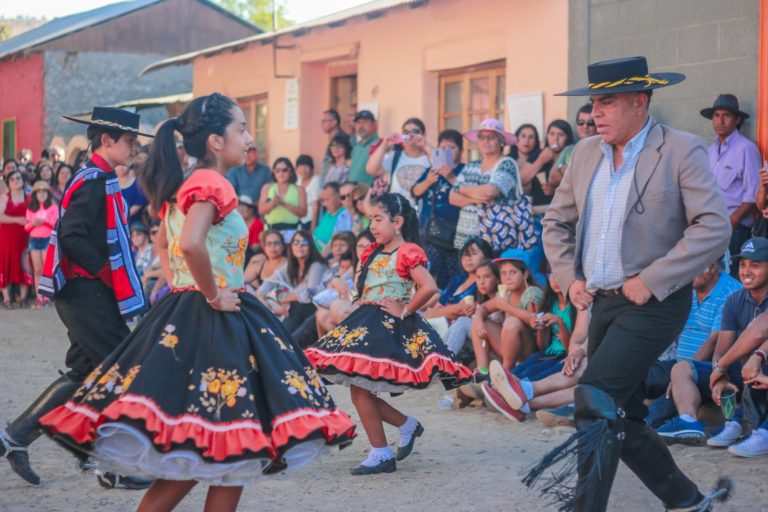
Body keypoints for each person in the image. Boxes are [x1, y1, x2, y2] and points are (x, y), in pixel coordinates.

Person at [39, 93, 356, 511]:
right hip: (215, 317)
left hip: (191, 313)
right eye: (241, 128)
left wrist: (186, 288)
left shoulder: (185, 184)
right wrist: (211, 293)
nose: (248, 137)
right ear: (215, 142)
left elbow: (167, 242)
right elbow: (188, 244)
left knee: (207, 451)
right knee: (228, 446)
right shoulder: (212, 182)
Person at [525, 56, 732, 511]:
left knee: (592, 398)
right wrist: (568, 277)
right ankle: (689, 501)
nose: (595, 112)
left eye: (607, 102)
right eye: (593, 102)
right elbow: (556, 222)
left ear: (640, 102)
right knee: (623, 415)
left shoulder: (680, 148)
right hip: (601, 302)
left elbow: (714, 226)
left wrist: (652, 279)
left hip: (655, 302)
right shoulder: (583, 154)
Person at [0, 107, 150, 488]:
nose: (134, 148)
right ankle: (107, 462)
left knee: (86, 373)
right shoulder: (95, 182)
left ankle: (15, 437)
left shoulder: (98, 179)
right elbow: (71, 236)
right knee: (123, 371)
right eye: (130, 142)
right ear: (106, 140)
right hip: (86, 293)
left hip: (85, 293)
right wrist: (104, 270)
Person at [306, 193, 472, 475]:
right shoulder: (371, 251)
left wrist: (405, 309)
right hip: (366, 321)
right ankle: (402, 429)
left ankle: (384, 450)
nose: (372, 225)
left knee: (360, 388)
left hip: (387, 326)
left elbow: (429, 287)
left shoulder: (407, 251)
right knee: (360, 388)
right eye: (370, 219)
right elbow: (366, 291)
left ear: (397, 222)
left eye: (378, 219)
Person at [660, 238, 768, 454]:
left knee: (755, 361)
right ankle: (689, 423)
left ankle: (759, 431)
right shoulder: (735, 300)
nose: (746, 271)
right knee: (681, 368)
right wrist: (722, 375)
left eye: (755, 265)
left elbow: (759, 335)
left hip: (761, 370)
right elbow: (721, 349)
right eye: (743, 264)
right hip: (744, 373)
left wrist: (723, 368)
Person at [641, 257, 741, 429]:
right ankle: (611, 412)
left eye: (692, 268)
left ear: (711, 266)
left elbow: (714, 341)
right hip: (678, 363)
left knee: (678, 383)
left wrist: (683, 371)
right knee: (639, 374)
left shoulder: (729, 291)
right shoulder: (690, 289)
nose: (686, 274)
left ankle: (644, 424)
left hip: (708, 367)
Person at [485, 308, 590, 424]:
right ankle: (520, 394)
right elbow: (581, 336)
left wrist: (561, 326)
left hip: (561, 356)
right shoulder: (582, 301)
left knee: (588, 373)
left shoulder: (597, 300)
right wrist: (577, 350)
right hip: (553, 354)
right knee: (527, 368)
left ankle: (522, 401)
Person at [702, 94, 762, 276]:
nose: (720, 120)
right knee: (711, 277)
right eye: (716, 115)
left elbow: (753, 192)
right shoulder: (710, 150)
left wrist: (734, 220)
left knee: (733, 276)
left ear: (737, 120)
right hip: (712, 226)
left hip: (735, 229)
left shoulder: (746, 148)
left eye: (726, 115)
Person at [449, 118, 520, 250]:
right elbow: (452, 198)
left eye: (491, 137)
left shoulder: (507, 164)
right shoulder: (471, 166)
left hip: (495, 238)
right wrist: (476, 198)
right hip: (465, 238)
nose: (485, 141)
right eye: (481, 137)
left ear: (501, 141)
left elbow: (490, 192)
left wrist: (462, 189)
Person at [471, 257, 543, 382]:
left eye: (512, 272)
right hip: (510, 348)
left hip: (530, 351)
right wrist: (478, 322)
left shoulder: (532, 293)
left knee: (512, 322)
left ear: (525, 274)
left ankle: (504, 374)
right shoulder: (506, 293)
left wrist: (506, 307)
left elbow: (536, 321)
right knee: (481, 323)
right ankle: (482, 372)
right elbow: (482, 309)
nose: (507, 277)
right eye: (503, 273)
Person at [412, 129, 465, 288]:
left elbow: (468, 193)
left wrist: (451, 177)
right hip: (431, 233)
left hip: (454, 233)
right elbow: (415, 191)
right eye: (442, 149)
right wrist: (428, 181)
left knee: (455, 273)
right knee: (432, 272)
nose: (446, 152)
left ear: (461, 151)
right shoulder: (432, 169)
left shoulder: (464, 170)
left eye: (451, 148)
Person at [257, 230, 326, 333]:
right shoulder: (291, 266)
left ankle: (281, 341)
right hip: (293, 310)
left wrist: (287, 299)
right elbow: (267, 284)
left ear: (311, 246)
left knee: (295, 307)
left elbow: (311, 295)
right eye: (296, 242)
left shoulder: (316, 265)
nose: (300, 246)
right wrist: (265, 304)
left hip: (313, 311)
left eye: (304, 242)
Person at [423, 237, 492, 335]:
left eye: (474, 254)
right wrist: (450, 310)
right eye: (465, 255)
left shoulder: (484, 282)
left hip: (462, 327)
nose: (468, 259)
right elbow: (439, 305)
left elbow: (464, 310)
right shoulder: (458, 279)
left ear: (486, 256)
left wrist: (436, 313)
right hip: (441, 322)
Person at [366, 117, 431, 206]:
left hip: (424, 216)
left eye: (416, 131)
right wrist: (384, 145)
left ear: (424, 134)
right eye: (406, 132)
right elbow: (371, 169)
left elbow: (443, 168)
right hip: (398, 214)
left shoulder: (430, 156)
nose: (411, 135)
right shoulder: (395, 156)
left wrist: (425, 145)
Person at [0, 170, 32, 308]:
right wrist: (18, 220)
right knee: (4, 265)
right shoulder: (4, 197)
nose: (15, 180)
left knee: (23, 265)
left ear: (23, 180)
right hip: (6, 238)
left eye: (18, 178)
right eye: (12, 179)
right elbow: (0, 216)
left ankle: (23, 298)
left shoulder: (29, 197)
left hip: (24, 238)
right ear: (8, 183)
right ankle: (7, 298)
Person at [25, 181, 59, 308]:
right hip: (34, 240)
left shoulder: (53, 207)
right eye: (39, 192)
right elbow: (27, 227)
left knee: (47, 269)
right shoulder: (31, 208)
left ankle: (48, 296)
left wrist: (45, 222)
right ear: (34, 194)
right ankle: (39, 297)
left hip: (47, 239)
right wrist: (34, 223)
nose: (42, 194)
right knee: (37, 269)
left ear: (48, 194)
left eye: (44, 191)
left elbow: (55, 225)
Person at [258, 157, 307, 241]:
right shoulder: (267, 188)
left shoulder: (299, 189)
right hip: (271, 231)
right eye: (277, 170)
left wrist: (284, 204)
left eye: (284, 170)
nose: (281, 173)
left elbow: (303, 212)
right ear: (273, 172)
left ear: (291, 171)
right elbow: (261, 210)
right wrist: (274, 203)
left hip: (293, 231)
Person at [313, 182, 353, 255]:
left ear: (339, 197)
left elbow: (333, 244)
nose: (325, 204)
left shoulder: (344, 215)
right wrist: (315, 213)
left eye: (327, 200)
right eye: (323, 201)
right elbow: (313, 234)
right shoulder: (328, 213)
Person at [348, 110, 379, 185]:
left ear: (375, 124)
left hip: (369, 194)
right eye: (358, 123)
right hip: (353, 193)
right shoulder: (356, 147)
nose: (360, 126)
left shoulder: (379, 145)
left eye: (365, 122)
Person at [320, 109, 350, 177]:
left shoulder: (342, 139)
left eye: (324, 121)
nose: (321, 124)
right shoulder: (333, 139)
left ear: (334, 122)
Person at [296, 154, 321, 230]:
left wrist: (313, 227)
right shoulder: (298, 181)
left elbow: (316, 206)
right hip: (299, 219)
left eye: (306, 167)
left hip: (311, 219)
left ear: (311, 168)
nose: (303, 170)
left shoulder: (316, 180)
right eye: (300, 167)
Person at [236, 194, 263, 258]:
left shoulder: (258, 224)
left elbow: (256, 247)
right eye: (238, 208)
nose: (239, 211)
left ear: (250, 210)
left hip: (252, 256)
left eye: (242, 208)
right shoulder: (238, 225)